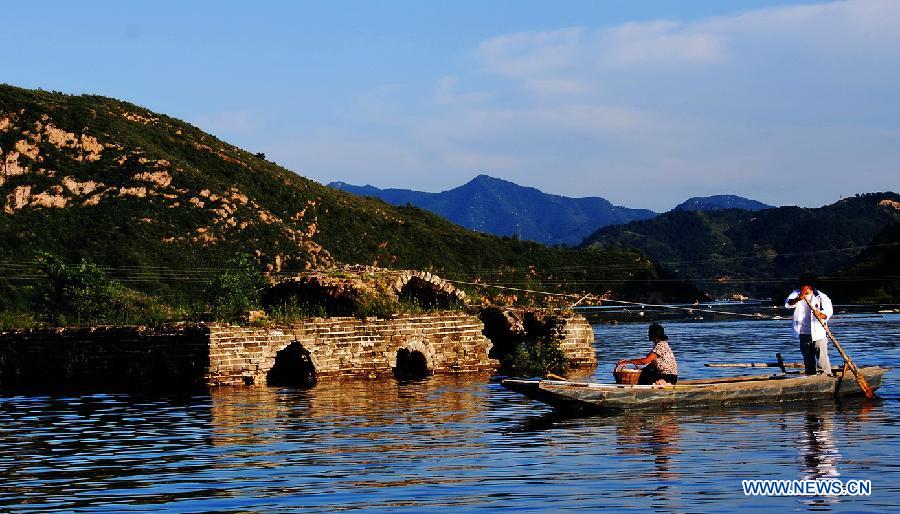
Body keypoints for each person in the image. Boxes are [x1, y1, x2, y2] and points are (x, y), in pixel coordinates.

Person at [785, 273, 833, 376]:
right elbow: (788, 304)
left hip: (819, 333)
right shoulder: (796, 293)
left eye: (802, 285)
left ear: (809, 286)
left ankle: (825, 376)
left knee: (822, 357)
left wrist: (820, 314)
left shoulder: (820, 296)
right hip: (803, 332)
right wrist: (798, 299)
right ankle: (810, 376)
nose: (800, 287)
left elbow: (828, 312)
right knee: (807, 357)